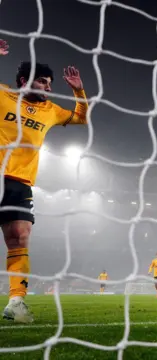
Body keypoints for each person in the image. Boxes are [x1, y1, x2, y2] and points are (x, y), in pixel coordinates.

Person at [0, 39, 89, 323]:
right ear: (24, 81)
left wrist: (78, 90)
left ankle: (16, 302)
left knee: (19, 238)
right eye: (43, 82)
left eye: (50, 83)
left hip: (21, 183)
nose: (49, 88)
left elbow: (81, 118)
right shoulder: (2, 94)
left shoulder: (50, 110)